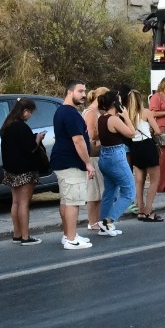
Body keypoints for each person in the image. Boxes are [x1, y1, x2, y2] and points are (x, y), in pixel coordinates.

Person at [51, 80, 95, 250]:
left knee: (66, 200)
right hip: (70, 163)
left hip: (63, 161)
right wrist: (88, 163)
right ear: (70, 92)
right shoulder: (69, 113)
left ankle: (69, 235)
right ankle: (70, 239)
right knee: (72, 201)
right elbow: (78, 140)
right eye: (80, 91)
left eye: (85, 91)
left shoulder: (62, 111)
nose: (84, 95)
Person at [0, 98, 45, 245]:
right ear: (24, 111)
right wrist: (37, 138)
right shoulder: (22, 127)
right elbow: (31, 147)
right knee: (24, 203)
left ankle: (17, 234)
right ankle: (26, 237)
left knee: (15, 202)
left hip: (10, 170)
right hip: (25, 170)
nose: (30, 115)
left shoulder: (7, 126)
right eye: (30, 112)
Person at [94, 90, 134, 235]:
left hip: (104, 157)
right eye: (119, 99)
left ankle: (103, 226)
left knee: (109, 192)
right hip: (116, 157)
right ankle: (109, 221)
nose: (121, 102)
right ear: (114, 103)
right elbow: (131, 133)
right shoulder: (114, 119)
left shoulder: (101, 118)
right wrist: (127, 117)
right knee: (129, 191)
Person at [125, 90, 165, 222]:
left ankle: (140, 210)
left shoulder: (127, 115)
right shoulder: (146, 112)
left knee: (139, 181)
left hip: (135, 147)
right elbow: (158, 131)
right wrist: (152, 130)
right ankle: (149, 211)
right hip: (147, 145)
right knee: (154, 180)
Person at [82, 87, 108, 235]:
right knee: (93, 190)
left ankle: (97, 220)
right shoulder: (91, 113)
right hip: (93, 154)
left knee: (98, 190)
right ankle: (92, 222)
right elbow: (91, 134)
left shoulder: (95, 112)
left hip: (97, 153)